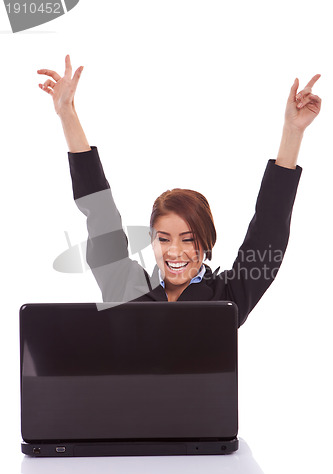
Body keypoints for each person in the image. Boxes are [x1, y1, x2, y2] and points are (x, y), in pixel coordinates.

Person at [37, 55, 321, 326]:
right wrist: (67, 113)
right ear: (151, 240)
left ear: (207, 242)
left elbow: (268, 232)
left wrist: (293, 132)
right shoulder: (124, 285)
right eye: (164, 238)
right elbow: (99, 211)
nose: (175, 251)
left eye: (188, 239)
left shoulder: (226, 299)